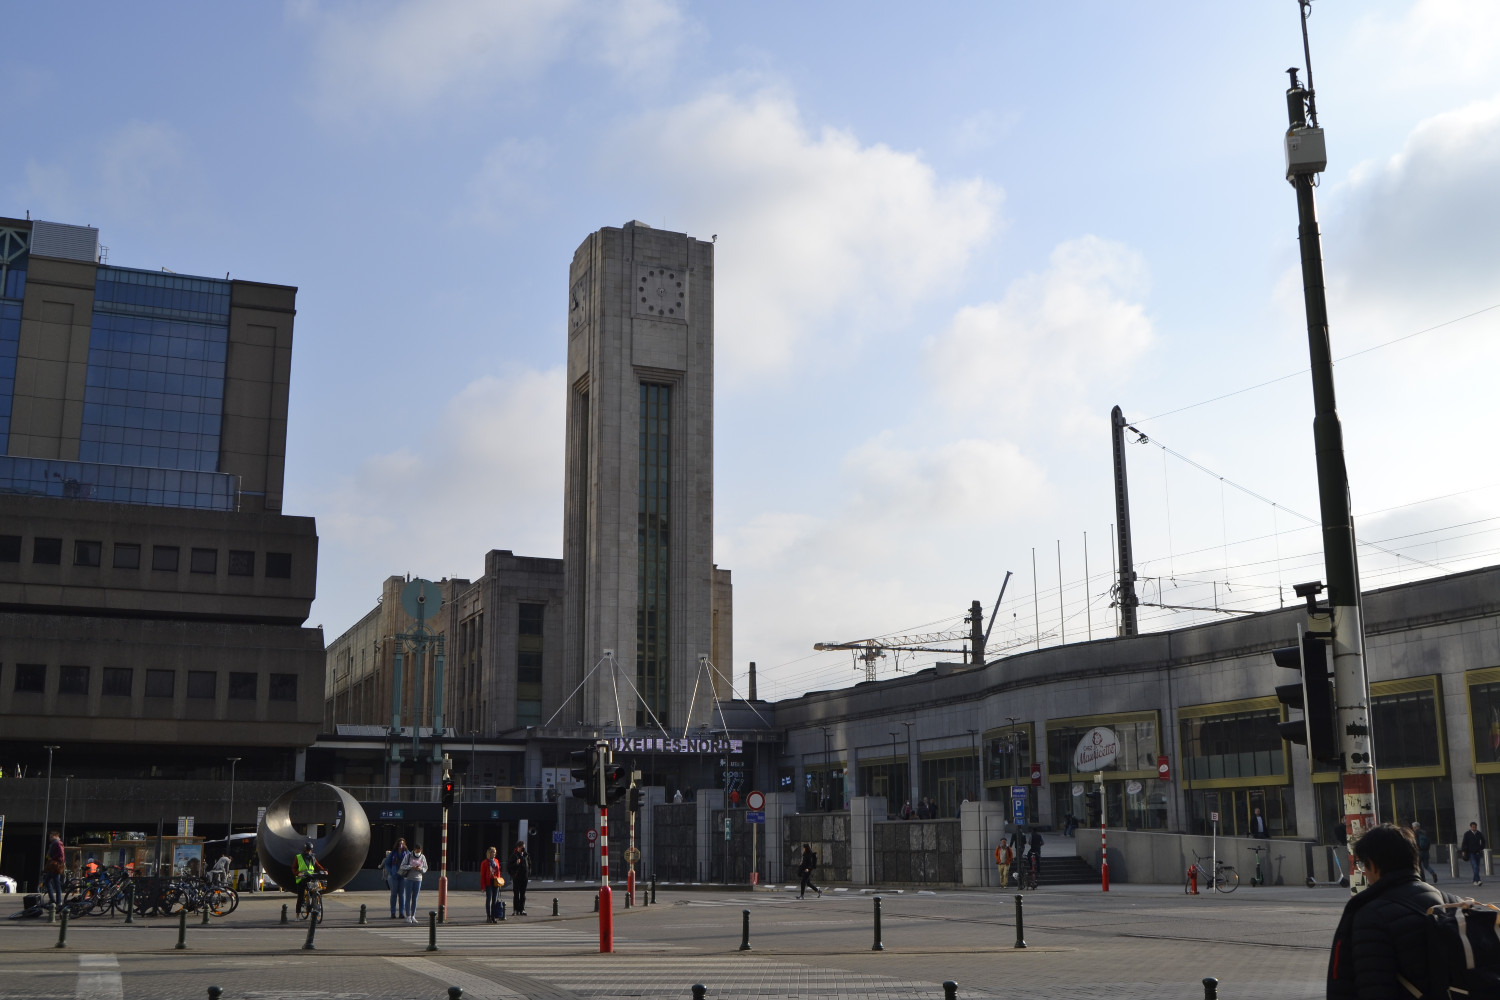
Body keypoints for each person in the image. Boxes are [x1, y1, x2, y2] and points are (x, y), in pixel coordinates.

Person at [1327, 823, 1460, 999]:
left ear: (1373, 865)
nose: (1364, 873)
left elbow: (1373, 987)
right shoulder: (1455, 904)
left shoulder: (1371, 917)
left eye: (1362, 865)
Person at [294, 842, 327, 918]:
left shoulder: (313, 857)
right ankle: (297, 915)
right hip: (302, 878)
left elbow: (317, 865)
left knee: (315, 891)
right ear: (305, 850)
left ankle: (315, 907)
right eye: (307, 850)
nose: (308, 852)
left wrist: (324, 870)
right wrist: (297, 873)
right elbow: (294, 867)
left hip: (311, 877)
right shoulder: (298, 857)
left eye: (310, 850)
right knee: (301, 897)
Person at [399, 844, 427, 924]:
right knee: (408, 898)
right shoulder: (408, 856)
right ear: (414, 850)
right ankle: (408, 916)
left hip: (418, 879)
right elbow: (402, 866)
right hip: (409, 879)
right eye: (417, 851)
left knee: (415, 898)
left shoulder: (422, 857)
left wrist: (420, 869)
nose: (418, 852)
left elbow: (425, 868)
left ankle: (413, 915)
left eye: (420, 851)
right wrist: (411, 867)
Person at [382, 838, 410, 919]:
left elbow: (411, 861)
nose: (401, 845)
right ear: (397, 844)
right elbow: (387, 863)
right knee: (393, 894)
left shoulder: (407, 853)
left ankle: (401, 913)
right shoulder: (393, 853)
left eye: (402, 843)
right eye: (399, 844)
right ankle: (393, 913)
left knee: (402, 894)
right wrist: (391, 872)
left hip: (403, 876)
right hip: (394, 876)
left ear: (404, 844)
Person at [480, 846, 505, 923]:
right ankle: (488, 916)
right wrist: (483, 886)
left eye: (495, 852)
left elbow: (498, 872)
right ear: (489, 853)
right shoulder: (485, 862)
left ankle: (493, 917)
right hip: (488, 882)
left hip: (495, 882)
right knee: (489, 899)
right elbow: (482, 875)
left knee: (494, 900)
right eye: (493, 852)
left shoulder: (496, 861)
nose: (494, 854)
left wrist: (499, 881)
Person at [42, 830, 64, 909]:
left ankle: (58, 901)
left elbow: (61, 855)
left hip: (55, 866)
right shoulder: (54, 844)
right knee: (49, 882)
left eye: (51, 837)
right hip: (53, 866)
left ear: (56, 836)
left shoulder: (58, 843)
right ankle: (54, 900)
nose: (50, 838)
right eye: (50, 837)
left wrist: (53, 859)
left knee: (56, 884)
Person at [1461, 821, 1487, 886]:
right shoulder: (1467, 834)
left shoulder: (1479, 833)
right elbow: (1464, 843)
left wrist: (1481, 848)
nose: (1474, 828)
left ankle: (1475, 880)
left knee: (1477, 867)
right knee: (1475, 866)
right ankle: (1479, 880)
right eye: (1473, 827)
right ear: (1471, 827)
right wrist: (1463, 851)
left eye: (1475, 827)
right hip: (1471, 853)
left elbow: (1483, 841)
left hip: (1478, 852)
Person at [508, 840, 530, 916]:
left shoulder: (526, 855)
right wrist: (516, 864)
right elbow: (509, 867)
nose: (523, 848)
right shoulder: (514, 855)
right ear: (518, 847)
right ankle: (516, 909)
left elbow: (529, 865)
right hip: (517, 878)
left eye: (524, 847)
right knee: (516, 894)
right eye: (522, 847)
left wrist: (528, 873)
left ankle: (522, 909)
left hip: (524, 877)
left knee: (523, 894)